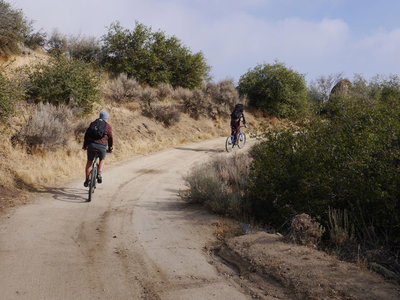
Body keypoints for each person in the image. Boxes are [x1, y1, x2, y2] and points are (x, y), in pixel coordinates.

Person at [82, 111, 113, 187]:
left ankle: (86, 180)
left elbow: (87, 135)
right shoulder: (107, 126)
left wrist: (85, 145)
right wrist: (110, 148)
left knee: (89, 162)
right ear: (106, 118)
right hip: (102, 146)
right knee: (102, 159)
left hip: (91, 145)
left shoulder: (93, 123)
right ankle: (99, 174)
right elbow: (110, 138)